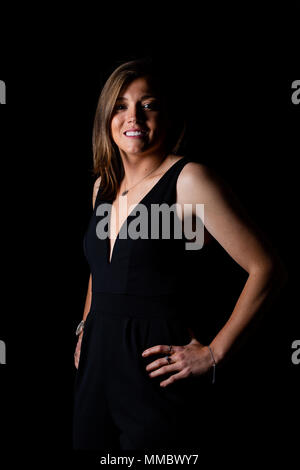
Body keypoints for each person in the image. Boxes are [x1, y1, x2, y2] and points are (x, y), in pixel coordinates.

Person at [73, 58, 286, 451]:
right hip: (95, 374)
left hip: (154, 375)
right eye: (120, 105)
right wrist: (86, 326)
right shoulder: (103, 185)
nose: (133, 115)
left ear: (166, 116)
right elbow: (101, 268)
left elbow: (266, 267)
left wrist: (215, 353)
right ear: (106, 118)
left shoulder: (189, 180)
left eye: (147, 104)